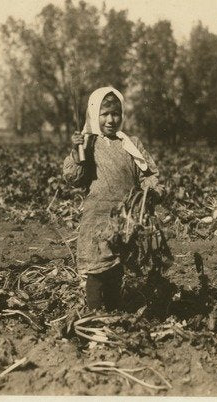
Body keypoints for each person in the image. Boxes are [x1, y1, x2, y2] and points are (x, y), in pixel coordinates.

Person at [63, 86, 164, 311]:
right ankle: (95, 313)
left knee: (117, 268)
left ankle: (115, 310)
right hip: (97, 216)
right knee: (97, 269)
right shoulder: (89, 144)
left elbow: (147, 173)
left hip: (126, 216)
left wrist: (153, 190)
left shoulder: (131, 144)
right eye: (105, 114)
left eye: (116, 114)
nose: (111, 119)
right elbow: (74, 178)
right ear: (94, 113)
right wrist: (77, 152)